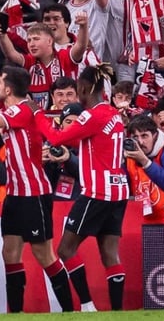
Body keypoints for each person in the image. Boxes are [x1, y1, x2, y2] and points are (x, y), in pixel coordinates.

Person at [0, 60, 74, 313]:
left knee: (45, 256)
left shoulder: (22, 111)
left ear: (8, 89)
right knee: (10, 253)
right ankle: (17, 314)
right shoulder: (14, 105)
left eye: (2, 81)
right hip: (15, 194)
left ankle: (69, 312)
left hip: (34, 194)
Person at [30, 63, 128, 312]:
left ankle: (86, 306)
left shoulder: (91, 114)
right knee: (109, 254)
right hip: (119, 191)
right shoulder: (112, 113)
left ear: (83, 88)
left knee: (65, 249)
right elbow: (81, 138)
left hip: (97, 192)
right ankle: (117, 313)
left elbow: (55, 137)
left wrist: (37, 115)